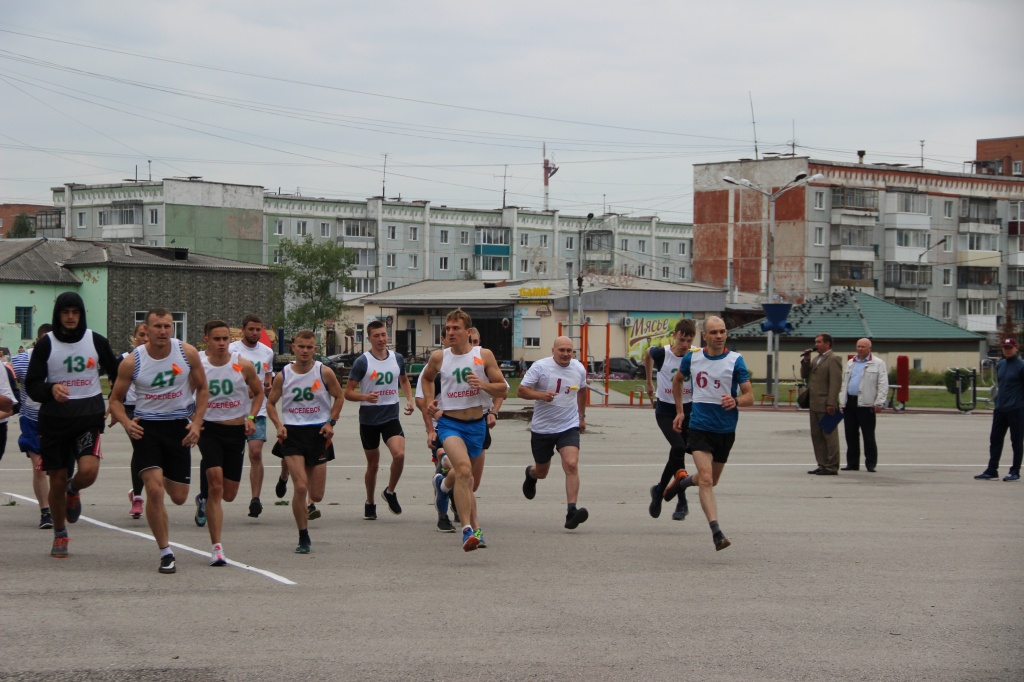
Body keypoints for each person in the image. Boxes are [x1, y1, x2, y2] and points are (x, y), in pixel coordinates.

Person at [109, 307, 208, 574]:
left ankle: (159, 473)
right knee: (154, 491)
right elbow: (115, 399)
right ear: (146, 330)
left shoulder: (187, 353)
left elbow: (202, 388)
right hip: (147, 428)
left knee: (178, 497)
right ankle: (165, 552)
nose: (163, 331)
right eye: (157, 327)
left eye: (167, 326)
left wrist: (197, 423)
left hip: (179, 427)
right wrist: (127, 423)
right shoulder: (132, 361)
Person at [25, 292, 120, 559]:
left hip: (87, 417)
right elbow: (31, 384)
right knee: (55, 479)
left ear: (81, 314)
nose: (70, 317)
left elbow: (118, 372)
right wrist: (50, 389)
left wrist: (114, 400)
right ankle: (59, 532)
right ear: (58, 314)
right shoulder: (47, 345)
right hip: (54, 421)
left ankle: (73, 490)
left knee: (88, 471)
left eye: (75, 312)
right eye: (65, 312)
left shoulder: (96, 341)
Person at [420, 309, 507, 552]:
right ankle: (468, 529)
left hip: (477, 425)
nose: (450, 332)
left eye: (455, 328)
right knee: (464, 470)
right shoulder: (440, 357)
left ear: (468, 332)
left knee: (467, 480)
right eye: (447, 328)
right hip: (450, 423)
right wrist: (429, 400)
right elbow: (426, 379)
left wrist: (484, 385)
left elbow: (503, 390)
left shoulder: (484, 355)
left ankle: (444, 488)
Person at [665, 316, 753, 551]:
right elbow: (677, 380)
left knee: (711, 480)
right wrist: (680, 411)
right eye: (714, 332)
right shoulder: (693, 358)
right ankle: (716, 531)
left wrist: (735, 400)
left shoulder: (736, 361)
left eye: (722, 331)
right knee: (706, 479)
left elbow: (749, 397)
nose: (719, 336)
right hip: (699, 427)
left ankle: (682, 482)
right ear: (705, 335)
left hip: (725, 430)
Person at [266, 330, 344, 554]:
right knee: (300, 487)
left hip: (318, 433)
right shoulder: (284, 375)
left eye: (309, 347)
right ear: (293, 347)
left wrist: (331, 422)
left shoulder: (324, 372)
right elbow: (271, 403)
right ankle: (303, 535)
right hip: (293, 433)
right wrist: (278, 425)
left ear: (315, 350)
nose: (305, 351)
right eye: (301, 346)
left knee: (316, 495)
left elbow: (339, 397)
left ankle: (285, 472)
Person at [194, 320, 265, 565]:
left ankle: (203, 497)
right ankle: (217, 548)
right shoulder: (199, 366)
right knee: (215, 486)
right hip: (209, 428)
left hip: (235, 432)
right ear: (206, 340)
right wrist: (192, 421)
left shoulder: (242, 365)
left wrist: (251, 417)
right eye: (217, 339)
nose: (222, 343)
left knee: (229, 494)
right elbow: (184, 395)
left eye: (225, 338)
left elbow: (258, 392)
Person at [516, 335, 590, 530]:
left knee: (571, 464)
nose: (566, 354)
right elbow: (521, 391)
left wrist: (581, 416)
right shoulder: (540, 367)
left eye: (569, 351)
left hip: (568, 425)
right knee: (542, 472)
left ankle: (571, 511)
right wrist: (540, 395)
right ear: (553, 350)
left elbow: (582, 391)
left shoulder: (579, 368)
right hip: (543, 428)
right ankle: (531, 475)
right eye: (561, 350)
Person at [344, 320, 415, 520]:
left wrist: (409, 399)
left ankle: (390, 491)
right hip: (369, 419)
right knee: (373, 465)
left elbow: (403, 379)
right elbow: (347, 393)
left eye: (384, 334)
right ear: (369, 339)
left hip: (390, 415)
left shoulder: (397, 357)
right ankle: (370, 502)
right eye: (377, 336)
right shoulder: (362, 362)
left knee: (399, 455)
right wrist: (365, 397)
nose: (382, 339)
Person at [643, 319, 696, 520]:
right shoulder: (662, 354)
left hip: (689, 410)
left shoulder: (694, 356)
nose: (685, 345)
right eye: (682, 340)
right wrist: (649, 381)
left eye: (689, 340)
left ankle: (661, 491)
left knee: (679, 453)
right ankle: (673, 498)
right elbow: (647, 354)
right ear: (674, 335)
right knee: (678, 448)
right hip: (666, 411)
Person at [228, 314, 278, 519]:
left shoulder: (267, 352)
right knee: (229, 456)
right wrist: (245, 389)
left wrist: (266, 389)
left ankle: (255, 499)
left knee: (255, 453)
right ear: (243, 330)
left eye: (258, 329)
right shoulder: (232, 350)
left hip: (258, 411)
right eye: (251, 329)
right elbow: (227, 377)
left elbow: (268, 379)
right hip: (233, 410)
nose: (255, 333)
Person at [11, 325, 53, 529]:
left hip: (57, 419)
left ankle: (70, 492)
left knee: (59, 470)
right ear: (37, 341)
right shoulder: (21, 361)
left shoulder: (61, 360)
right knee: (39, 467)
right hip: (31, 419)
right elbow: (12, 380)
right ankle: (45, 512)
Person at [974, 337, 1024, 481]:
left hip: (1016, 409)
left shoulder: (1021, 366)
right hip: (1001, 408)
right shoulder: (1001, 365)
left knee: (1016, 440)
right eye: (1005, 348)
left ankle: (1014, 471)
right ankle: (992, 470)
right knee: (995, 439)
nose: (1007, 350)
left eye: (1010, 348)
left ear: (1016, 348)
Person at [113, 322, 148, 519]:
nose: (144, 339)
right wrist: (114, 411)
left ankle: (140, 489)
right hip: (131, 409)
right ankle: (137, 496)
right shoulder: (125, 359)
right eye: (140, 335)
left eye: (147, 335)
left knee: (150, 451)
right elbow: (115, 389)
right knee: (141, 448)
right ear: (133, 337)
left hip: (153, 409)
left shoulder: (160, 359)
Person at [838, 338, 888, 472]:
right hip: (850, 403)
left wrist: (879, 402)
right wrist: (842, 400)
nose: (860, 349)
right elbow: (844, 383)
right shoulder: (850, 363)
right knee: (851, 434)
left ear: (869, 348)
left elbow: (883, 384)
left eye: (863, 347)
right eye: (858, 346)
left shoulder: (877, 363)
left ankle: (870, 463)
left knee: (868, 435)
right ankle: (852, 463)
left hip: (867, 404)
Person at [801, 333, 844, 476]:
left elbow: (835, 383)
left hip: (827, 405)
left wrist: (831, 402)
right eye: (815, 342)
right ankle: (822, 464)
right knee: (817, 436)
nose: (816, 344)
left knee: (829, 436)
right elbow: (805, 375)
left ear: (828, 344)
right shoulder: (816, 359)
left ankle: (832, 466)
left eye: (819, 342)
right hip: (814, 404)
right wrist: (806, 361)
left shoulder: (833, 359)